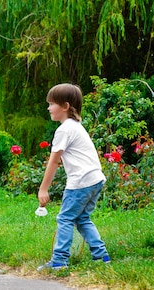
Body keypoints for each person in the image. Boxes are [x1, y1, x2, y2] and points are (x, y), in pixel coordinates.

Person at [37, 83, 110, 271]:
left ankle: (60, 260)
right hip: (95, 179)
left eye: (52, 103)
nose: (48, 108)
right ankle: (101, 256)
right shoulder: (75, 126)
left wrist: (43, 189)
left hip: (81, 181)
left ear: (65, 106)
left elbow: (54, 161)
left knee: (65, 219)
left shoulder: (64, 129)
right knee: (82, 218)